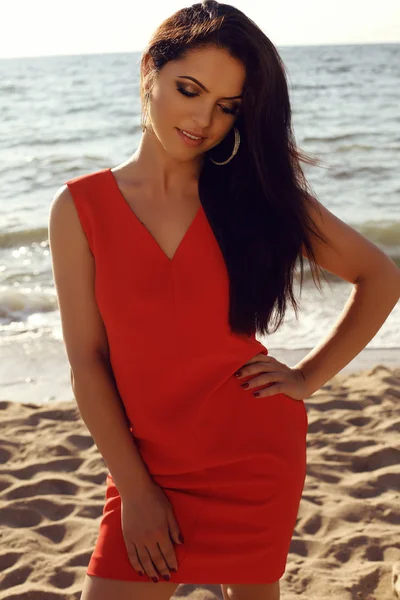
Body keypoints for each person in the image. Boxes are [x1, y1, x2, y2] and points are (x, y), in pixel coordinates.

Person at [48, 1, 400, 599]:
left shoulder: (256, 197)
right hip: (146, 462)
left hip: (252, 456)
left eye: (227, 107)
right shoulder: (80, 209)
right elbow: (87, 360)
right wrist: (135, 491)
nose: (203, 120)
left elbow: (380, 275)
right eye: (189, 90)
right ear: (149, 73)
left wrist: (306, 378)